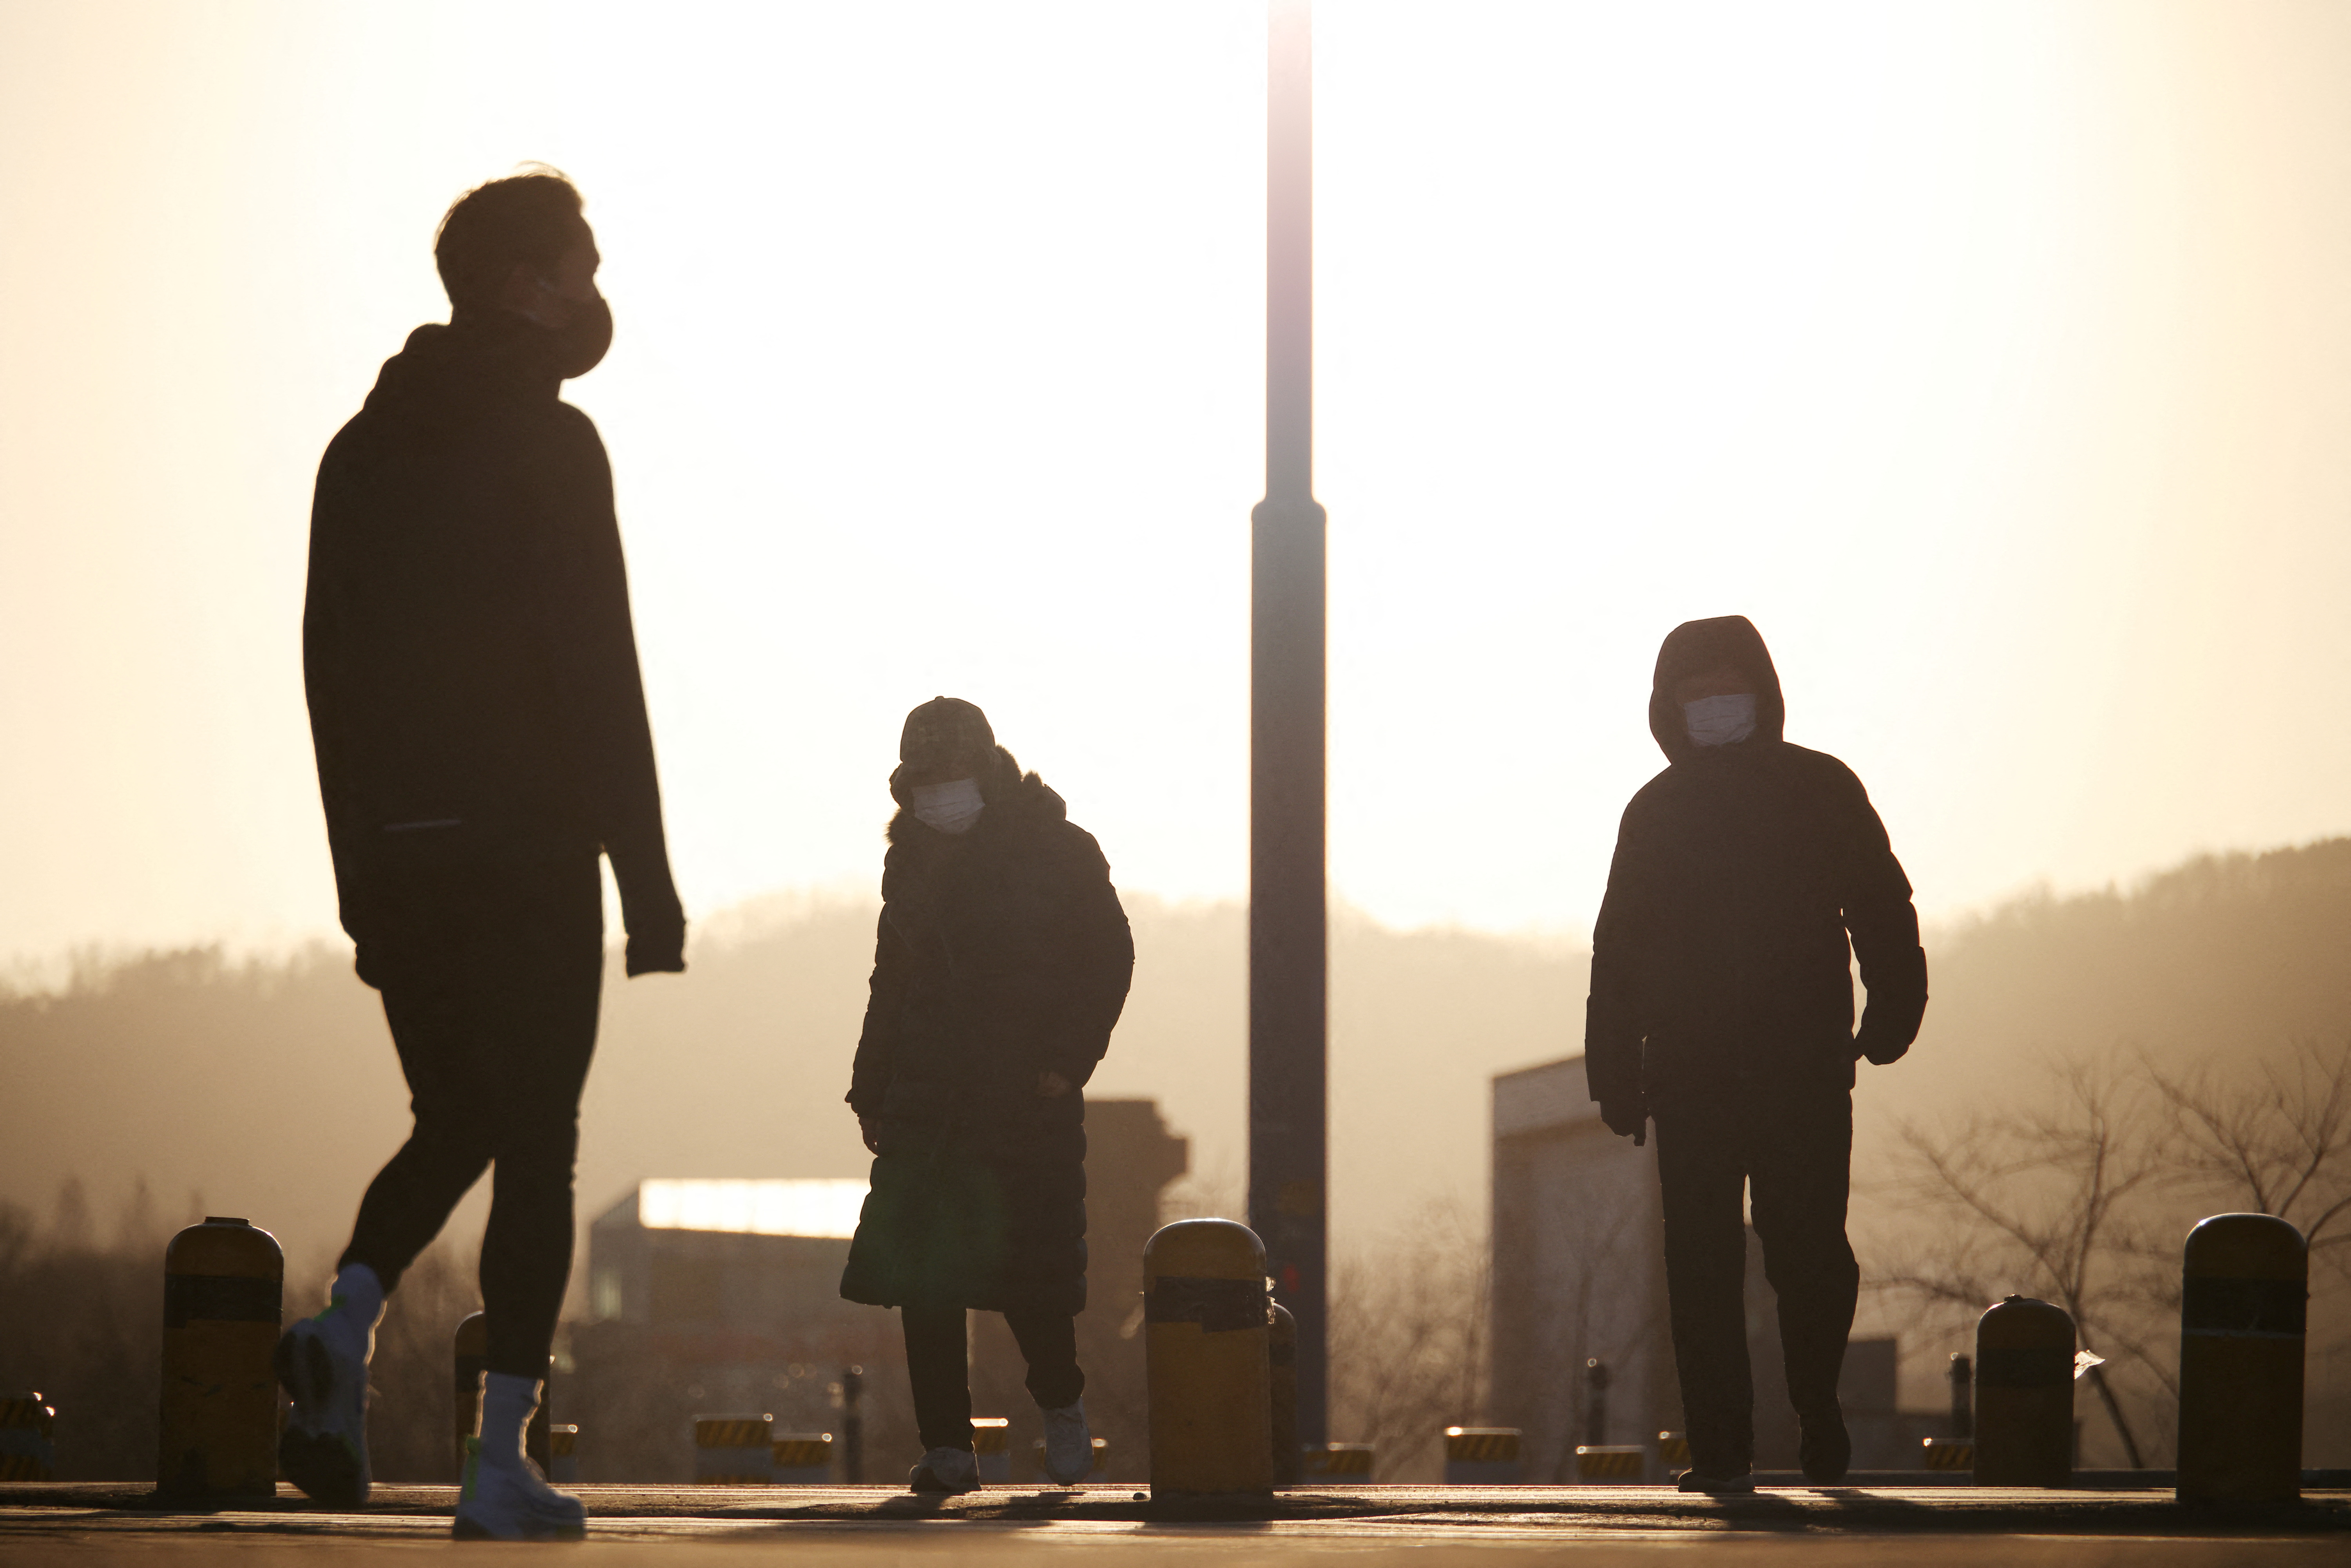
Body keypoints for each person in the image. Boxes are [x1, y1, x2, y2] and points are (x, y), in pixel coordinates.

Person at [286, 168, 685, 1539]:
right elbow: (600, 673)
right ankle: (498, 1459)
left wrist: (361, 883)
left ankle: (343, 1321)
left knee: (459, 1113)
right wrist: (648, 881)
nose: (593, 284)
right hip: (526, 850)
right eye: (579, 261)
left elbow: (324, 678)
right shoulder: (552, 443)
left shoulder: (359, 450)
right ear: (527, 284)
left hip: (401, 852)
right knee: (543, 1140)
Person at [1585, 616, 1926, 1492]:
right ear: (1669, 710)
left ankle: (1818, 1413)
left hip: (1803, 1074)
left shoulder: (1822, 789)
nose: (1715, 708)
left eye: (1726, 691)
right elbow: (1618, 954)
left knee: (1809, 1255)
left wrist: (1894, 1007)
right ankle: (1722, 1450)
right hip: (1694, 1083)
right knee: (1701, 1270)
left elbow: (1880, 907)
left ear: (1763, 695)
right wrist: (1615, 1073)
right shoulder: (1654, 814)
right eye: (1696, 697)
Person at [839, 697, 1134, 1492]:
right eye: (923, 782)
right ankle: (948, 1449)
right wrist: (872, 1086)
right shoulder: (910, 862)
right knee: (923, 1282)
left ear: (987, 773)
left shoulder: (1060, 851)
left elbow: (1108, 958)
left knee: (1029, 1278)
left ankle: (1063, 1407)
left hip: (1022, 1100)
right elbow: (890, 982)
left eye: (950, 776)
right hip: (927, 1103)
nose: (938, 795)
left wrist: (1067, 1060)